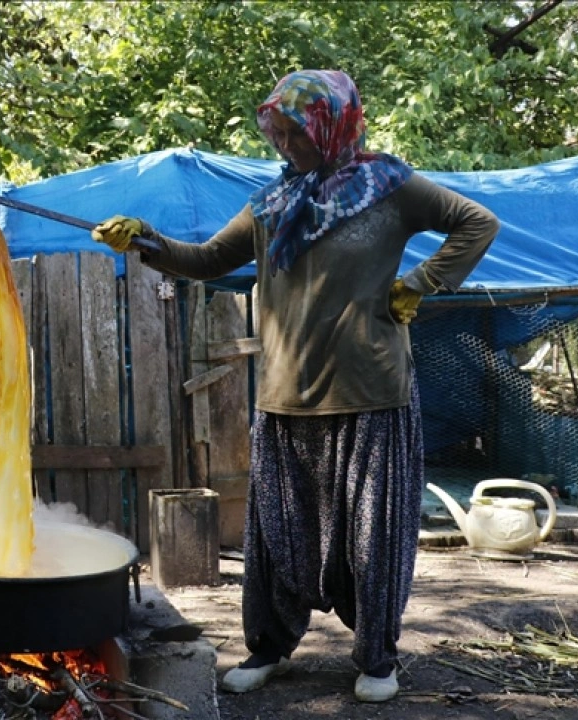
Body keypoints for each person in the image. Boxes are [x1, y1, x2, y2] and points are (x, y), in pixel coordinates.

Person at [91, 69, 499, 703]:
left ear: (331, 124)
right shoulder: (272, 203)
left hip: (370, 395)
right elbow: (206, 260)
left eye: (295, 133)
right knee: (277, 539)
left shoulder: (389, 186)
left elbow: (476, 223)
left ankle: (376, 658)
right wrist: (145, 240)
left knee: (373, 539)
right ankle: (269, 648)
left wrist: (421, 283)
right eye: (277, 132)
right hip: (284, 399)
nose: (284, 145)